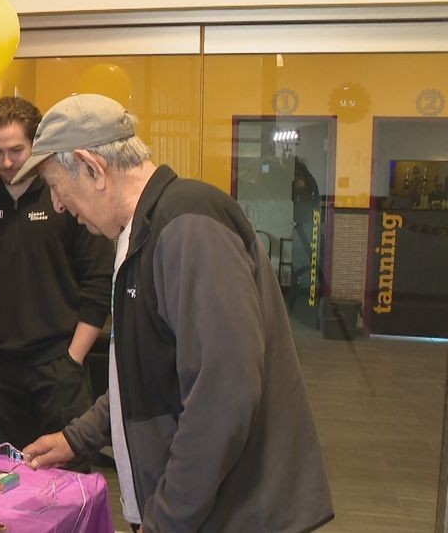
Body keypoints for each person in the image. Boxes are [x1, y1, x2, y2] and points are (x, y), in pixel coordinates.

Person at [18, 94, 334, 532]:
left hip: (231, 515)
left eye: (57, 186)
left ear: (93, 169)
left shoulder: (188, 226)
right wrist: (78, 437)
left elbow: (223, 397)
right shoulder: (142, 231)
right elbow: (143, 374)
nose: (57, 205)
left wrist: (165, 521)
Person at [0, 96, 113, 469]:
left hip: (59, 369)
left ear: (36, 145)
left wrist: (73, 359)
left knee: (70, 481)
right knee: (7, 477)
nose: (6, 162)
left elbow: (99, 284)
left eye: (16, 151)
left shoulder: (67, 197)